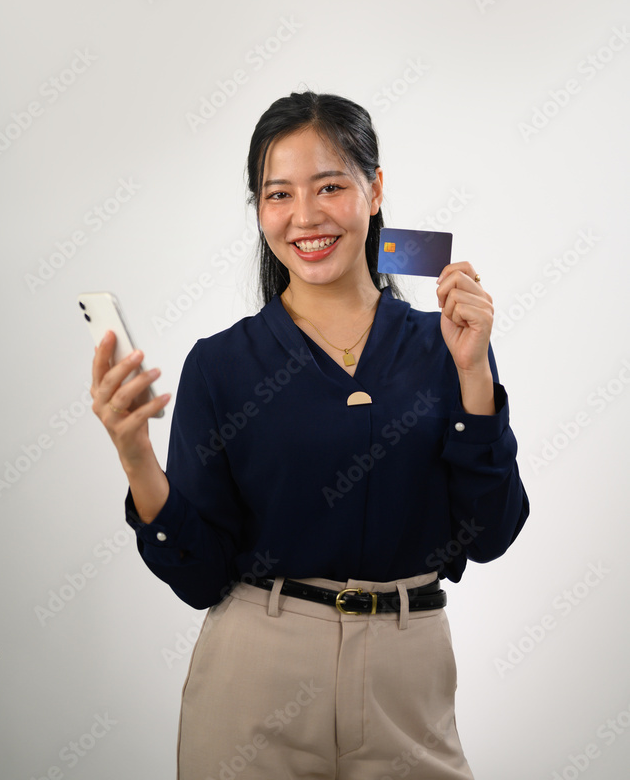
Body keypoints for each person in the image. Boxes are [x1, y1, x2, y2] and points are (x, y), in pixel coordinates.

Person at [91, 91, 529, 779]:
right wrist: (136, 456)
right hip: (256, 673)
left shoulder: (448, 342)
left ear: (374, 190)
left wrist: (473, 374)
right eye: (278, 194)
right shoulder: (220, 364)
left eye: (329, 187)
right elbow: (201, 577)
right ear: (258, 210)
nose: (304, 216)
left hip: (408, 675)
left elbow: (492, 534)